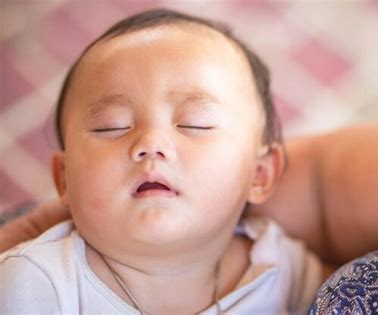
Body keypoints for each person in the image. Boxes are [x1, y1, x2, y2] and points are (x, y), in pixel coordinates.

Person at [0, 9, 324, 314]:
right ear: (65, 178)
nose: (151, 143)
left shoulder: (281, 269)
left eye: (195, 123)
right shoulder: (36, 286)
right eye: (112, 126)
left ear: (259, 174)